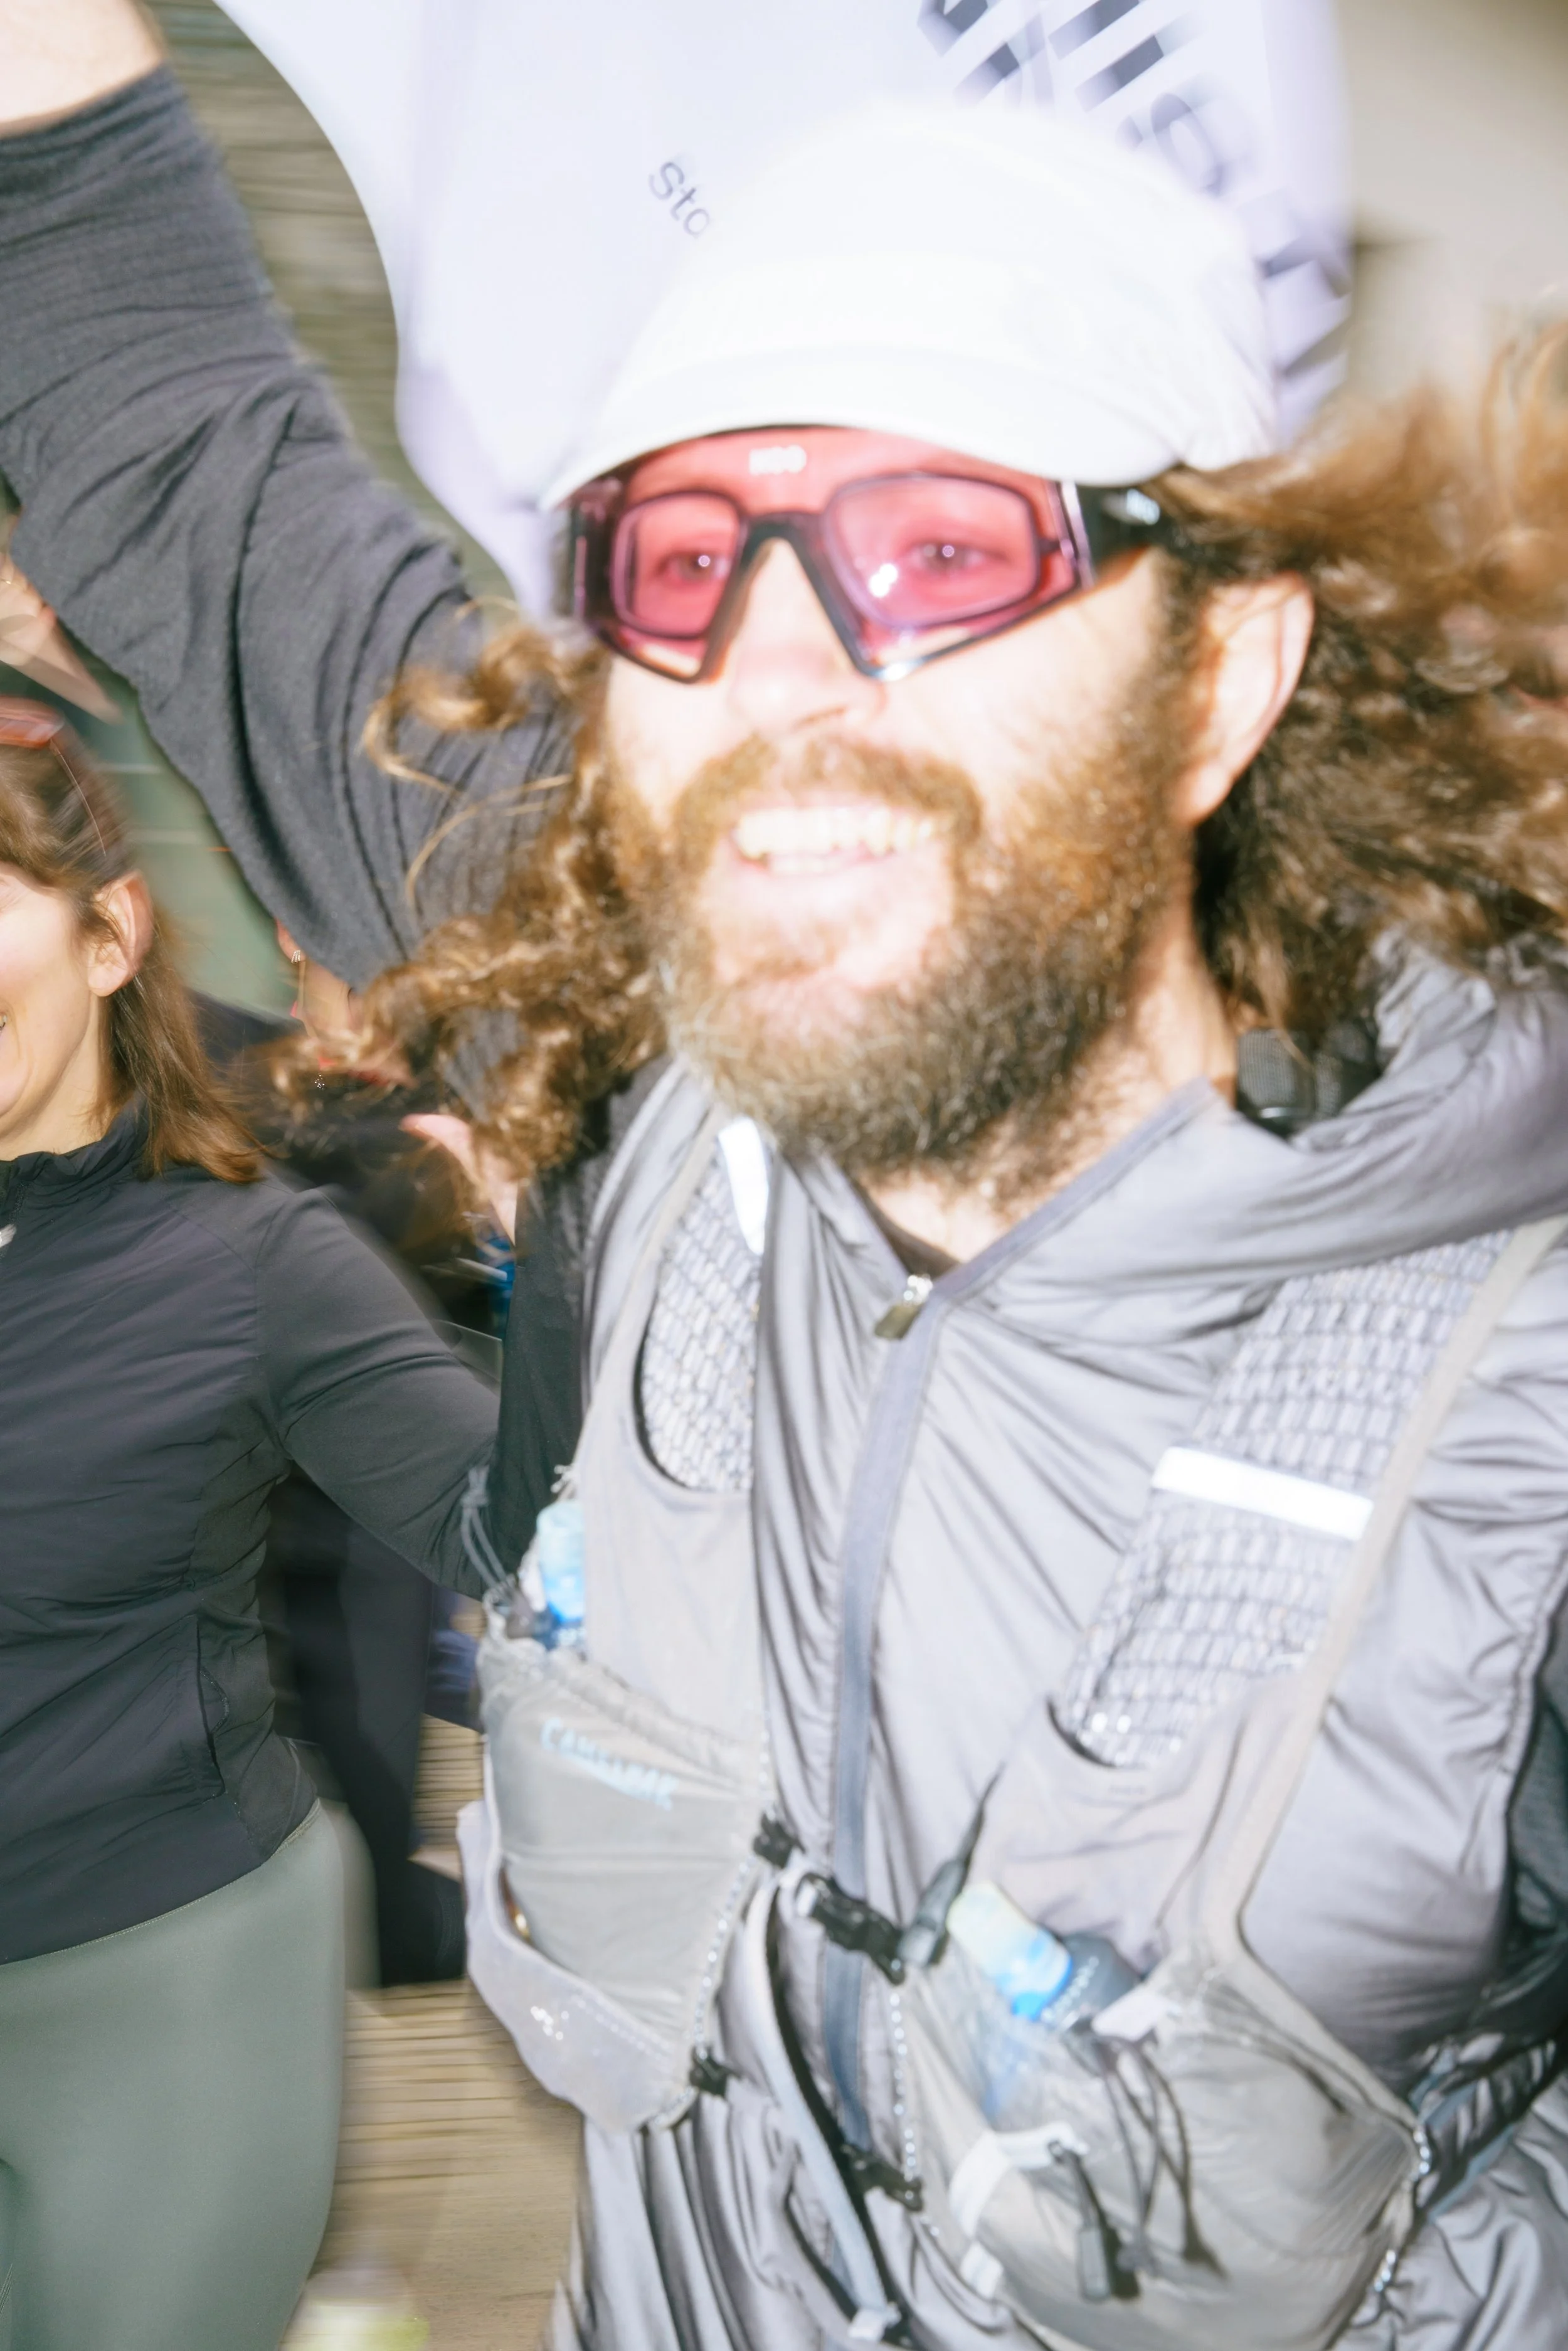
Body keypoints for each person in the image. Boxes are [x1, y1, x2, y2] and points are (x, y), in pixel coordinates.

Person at [3, 15, 1568, 2350]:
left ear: (1223, 671)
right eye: (675, 552)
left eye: (940, 550)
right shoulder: (655, 1055)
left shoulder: (1511, 1355)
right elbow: (178, 438)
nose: (776, 669)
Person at [0, 701, 499, 2349]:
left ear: (109, 932)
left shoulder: (254, 1261)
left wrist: (550, 1206)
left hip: (154, 1988)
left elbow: (514, 1527)